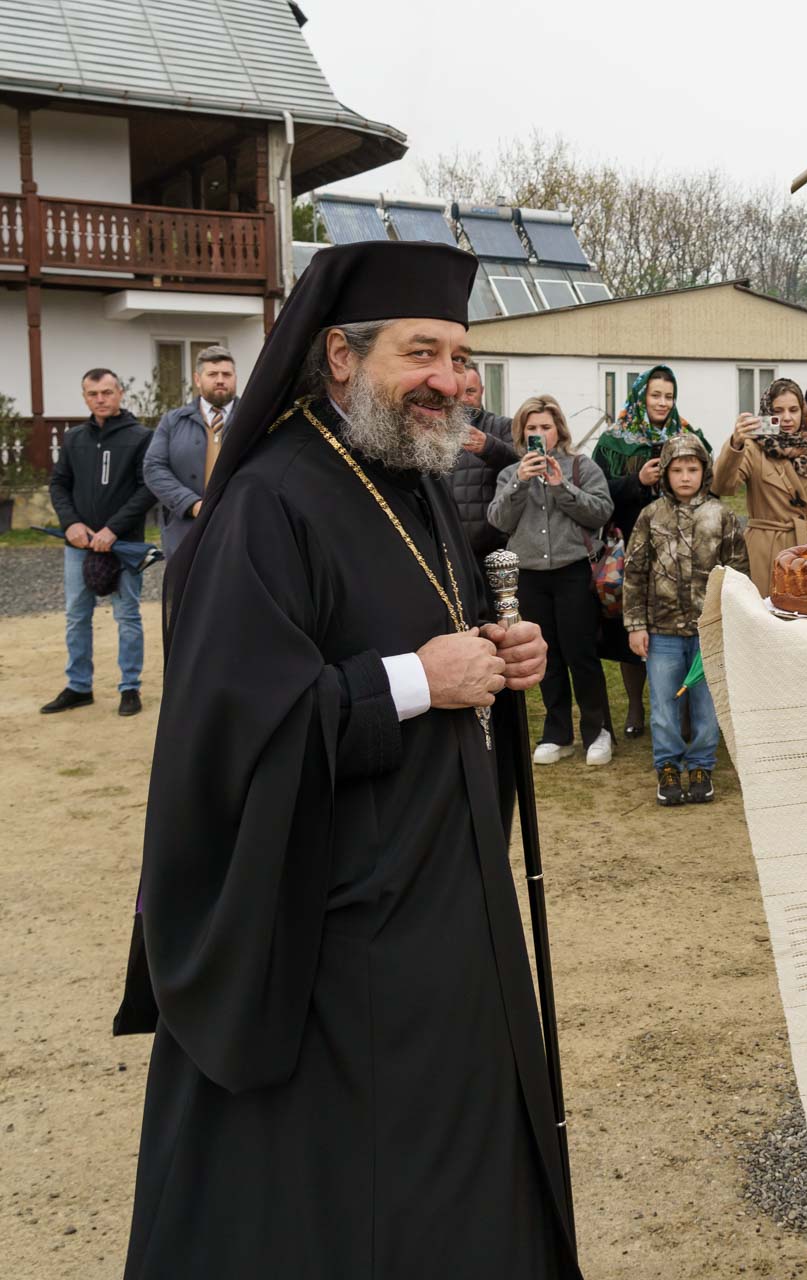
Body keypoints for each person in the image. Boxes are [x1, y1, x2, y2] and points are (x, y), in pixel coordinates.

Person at [115, 241, 578, 1277]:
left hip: (443, 906)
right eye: (423, 352)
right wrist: (415, 679)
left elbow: (450, 644)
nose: (451, 382)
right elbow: (237, 733)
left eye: (461, 358)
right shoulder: (267, 504)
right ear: (338, 354)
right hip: (330, 936)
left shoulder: (416, 482)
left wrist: (504, 660)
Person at [488, 395, 616, 766]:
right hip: (529, 575)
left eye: (545, 426)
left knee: (582, 654)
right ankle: (558, 734)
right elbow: (498, 520)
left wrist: (562, 487)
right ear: (521, 433)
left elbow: (601, 512)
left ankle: (598, 731)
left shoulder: (580, 466)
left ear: (558, 429)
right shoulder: (510, 474)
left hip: (573, 571)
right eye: (532, 428)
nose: (539, 434)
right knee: (548, 658)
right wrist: (520, 483)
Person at [623, 433, 746, 807]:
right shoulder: (650, 516)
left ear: (704, 471)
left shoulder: (722, 516)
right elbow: (634, 572)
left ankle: (701, 765)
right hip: (661, 631)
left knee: (706, 704)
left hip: (708, 632)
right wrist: (635, 625)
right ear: (666, 474)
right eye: (677, 469)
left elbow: (738, 572)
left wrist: (729, 621)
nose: (685, 477)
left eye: (693, 469)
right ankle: (668, 766)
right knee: (663, 704)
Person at [594, 365, 706, 738]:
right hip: (632, 546)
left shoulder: (689, 435)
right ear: (642, 396)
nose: (662, 402)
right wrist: (636, 480)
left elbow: (711, 484)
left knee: (680, 629)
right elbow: (597, 493)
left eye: (668, 396)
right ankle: (635, 706)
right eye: (655, 395)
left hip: (682, 550)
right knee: (634, 628)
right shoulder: (614, 442)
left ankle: (681, 705)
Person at [44, 369, 156, 718]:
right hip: (78, 544)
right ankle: (79, 686)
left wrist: (113, 530)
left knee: (127, 616)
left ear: (120, 393)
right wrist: (71, 523)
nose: (101, 399)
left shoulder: (141, 437)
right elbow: (59, 484)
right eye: (93, 394)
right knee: (77, 616)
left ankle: (130, 688)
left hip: (123, 546)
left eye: (107, 392)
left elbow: (147, 488)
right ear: (85, 397)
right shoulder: (74, 438)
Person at [712, 377, 807, 595]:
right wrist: (735, 444)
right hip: (762, 551)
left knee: (801, 621)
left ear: (803, 411)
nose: (787, 418)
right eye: (778, 411)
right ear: (767, 414)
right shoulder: (754, 447)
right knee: (762, 619)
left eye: (793, 409)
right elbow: (723, 486)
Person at [144, 346, 237, 557]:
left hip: (238, 527)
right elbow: (154, 468)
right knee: (186, 589)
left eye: (227, 374)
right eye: (212, 374)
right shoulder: (173, 421)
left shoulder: (254, 419)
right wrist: (191, 504)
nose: (220, 380)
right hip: (185, 529)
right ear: (197, 379)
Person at [452, 364, 521, 559]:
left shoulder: (503, 426)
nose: (464, 399)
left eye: (471, 391)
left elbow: (521, 467)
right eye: (458, 392)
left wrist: (488, 446)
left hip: (496, 547)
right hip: (451, 546)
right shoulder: (437, 431)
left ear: (482, 391)